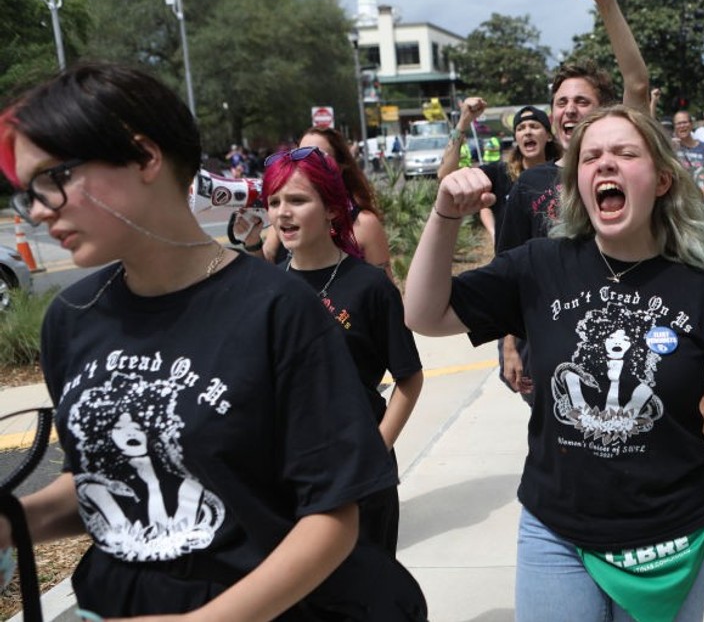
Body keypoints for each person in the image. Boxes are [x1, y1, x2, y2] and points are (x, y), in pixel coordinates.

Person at [0, 62, 424, 619]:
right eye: (27, 191)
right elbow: (100, 483)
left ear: (145, 156)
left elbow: (333, 519)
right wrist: (14, 524)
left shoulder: (278, 309)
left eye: (55, 178)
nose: (36, 210)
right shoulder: (70, 319)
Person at [405, 104, 704, 621]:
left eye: (625, 153)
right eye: (591, 157)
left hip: (670, 542)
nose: (605, 163)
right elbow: (424, 314)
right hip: (556, 533)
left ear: (661, 179)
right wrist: (445, 216)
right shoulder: (540, 266)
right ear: (577, 181)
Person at [493, 0, 650, 402]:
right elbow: (508, 271)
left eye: (582, 101)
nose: (568, 110)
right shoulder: (529, 185)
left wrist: (607, 3)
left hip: (621, 329)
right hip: (547, 343)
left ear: (603, 111)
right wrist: (509, 344)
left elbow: (637, 82)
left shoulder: (624, 170)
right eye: (560, 102)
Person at [263, 145, 424, 556]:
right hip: (291, 477)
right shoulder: (266, 288)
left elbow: (409, 377)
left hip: (361, 479)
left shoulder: (370, 286)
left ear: (333, 209)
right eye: (275, 201)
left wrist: (375, 448)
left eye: (297, 200)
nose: (283, 212)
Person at [237, 125, 398, 285]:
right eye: (299, 155)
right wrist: (252, 242)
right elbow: (265, 271)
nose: (306, 164)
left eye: (318, 156)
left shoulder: (364, 223)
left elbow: (384, 291)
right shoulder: (284, 217)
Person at [439, 98, 560, 242]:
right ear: (516, 138)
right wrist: (462, 123)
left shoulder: (562, 174)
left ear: (548, 136)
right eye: (520, 128)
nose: (527, 132)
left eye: (534, 126)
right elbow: (445, 175)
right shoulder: (500, 173)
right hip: (511, 263)